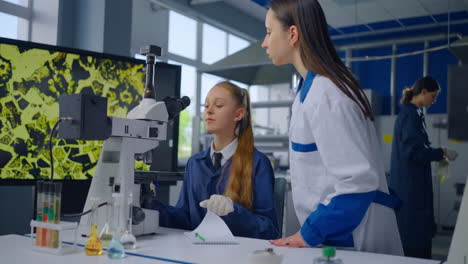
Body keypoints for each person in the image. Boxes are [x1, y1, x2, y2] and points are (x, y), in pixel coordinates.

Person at [261, 0, 403, 255]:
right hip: (335, 234)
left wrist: (309, 233)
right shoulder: (310, 91)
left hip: (353, 237)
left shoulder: (327, 94)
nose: (264, 42)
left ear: (292, 34)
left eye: (269, 32)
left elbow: (357, 180)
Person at [152, 81, 279, 240]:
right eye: (206, 106)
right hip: (197, 253)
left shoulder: (258, 163)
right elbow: (185, 218)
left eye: (218, 105)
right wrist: (150, 205)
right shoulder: (194, 163)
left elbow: (270, 230)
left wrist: (233, 211)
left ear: (238, 114)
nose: (209, 111)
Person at [388, 76, 458, 259]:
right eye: (433, 97)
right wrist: (440, 152)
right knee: (414, 247)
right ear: (424, 92)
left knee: (418, 242)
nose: (434, 101)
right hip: (411, 193)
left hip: (414, 189)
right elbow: (415, 153)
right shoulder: (410, 115)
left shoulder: (415, 113)